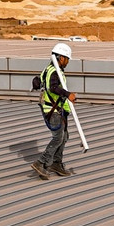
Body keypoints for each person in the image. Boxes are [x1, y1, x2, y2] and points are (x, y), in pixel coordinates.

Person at [31, 42, 77, 179]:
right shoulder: (54, 71)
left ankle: (56, 163)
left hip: (57, 109)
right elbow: (53, 87)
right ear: (60, 58)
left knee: (64, 136)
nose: (67, 62)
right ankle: (41, 163)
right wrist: (67, 94)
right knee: (58, 137)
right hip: (52, 109)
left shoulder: (49, 69)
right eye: (67, 59)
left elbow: (37, 81)